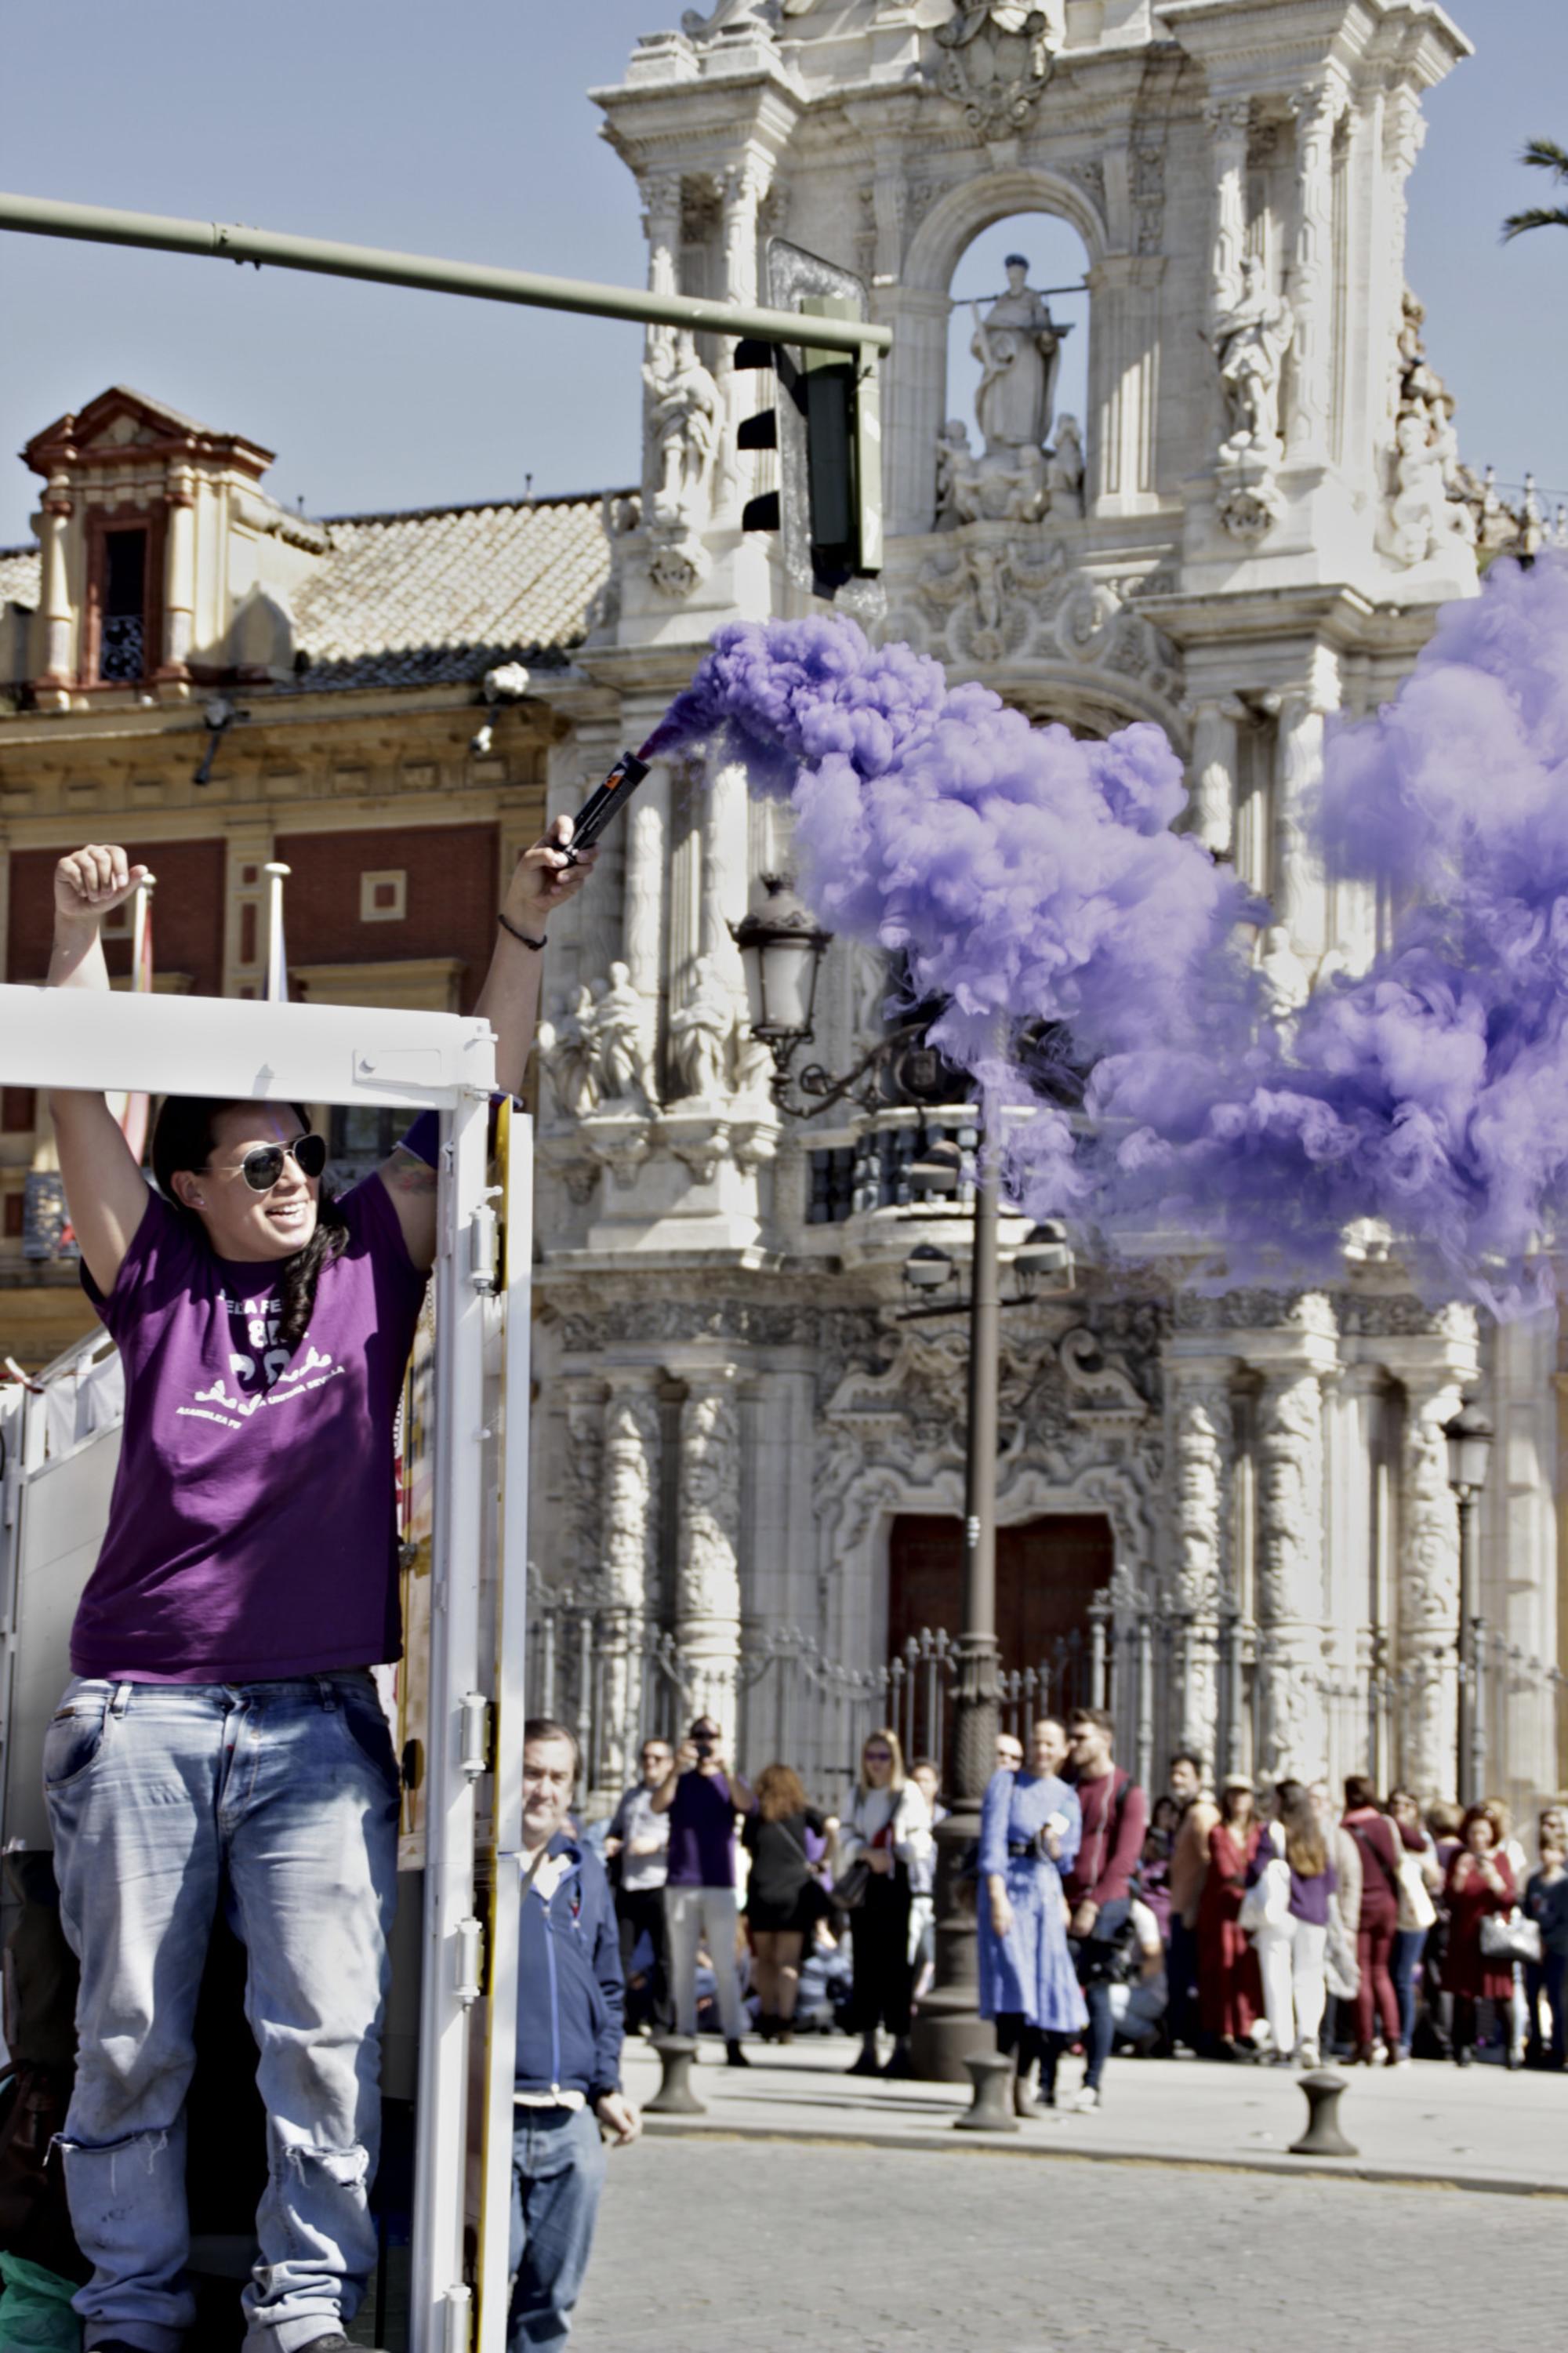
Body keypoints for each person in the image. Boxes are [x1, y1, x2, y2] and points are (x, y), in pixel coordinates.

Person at [39, 828, 592, 2353]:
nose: (299, 1178)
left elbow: (486, 1107)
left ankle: (301, 2309)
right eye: (264, 1161)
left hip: (314, 1719)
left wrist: (519, 933)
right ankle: (130, 2316)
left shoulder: (365, 1263)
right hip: (145, 1712)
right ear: (201, 1186)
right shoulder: (150, 1276)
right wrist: (77, 930)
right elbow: (74, 1096)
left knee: (324, 2037)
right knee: (133, 2041)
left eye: (308, 1153)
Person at [509, 1720, 639, 2353]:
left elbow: (609, 1986)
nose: (543, 1789)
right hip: (492, 2114)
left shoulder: (585, 1869)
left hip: (571, 2119)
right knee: (469, 2284)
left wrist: (607, 2081)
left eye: (557, 1776)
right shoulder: (481, 1864)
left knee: (551, 2303)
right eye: (532, 1771)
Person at [978, 1718, 1084, 2118]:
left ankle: (1026, 2082)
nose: (1042, 1751)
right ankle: (999, 2084)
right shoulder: (1006, 1784)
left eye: (1050, 1744)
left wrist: (1057, 1848)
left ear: (1062, 1751)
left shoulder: (1066, 1797)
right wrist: (996, 1894)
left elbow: (1067, 1854)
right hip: (1010, 1887)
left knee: (1042, 1988)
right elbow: (991, 1841)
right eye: (1037, 1742)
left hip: (1043, 1888)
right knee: (1013, 1985)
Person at [651, 1715, 755, 2066]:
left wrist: (726, 1767)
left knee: (725, 1964)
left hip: (720, 1882)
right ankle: (686, 2034)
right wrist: (676, 1769)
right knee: (682, 1964)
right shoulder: (680, 1780)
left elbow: (745, 1805)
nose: (704, 1742)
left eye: (710, 1736)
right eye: (698, 1736)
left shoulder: (728, 1780)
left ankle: (733, 2037)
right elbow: (657, 1805)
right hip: (683, 1881)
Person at [1061, 1707, 1149, 2111]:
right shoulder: (1066, 1787)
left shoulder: (1128, 1791)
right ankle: (1044, 2077)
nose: (1073, 1745)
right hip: (1062, 1902)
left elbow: (1124, 1859)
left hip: (1104, 1905)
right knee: (1055, 1990)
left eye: (1082, 1737)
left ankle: (1092, 2082)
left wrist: (1092, 1906)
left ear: (1106, 1740)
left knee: (1095, 1992)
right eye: (1072, 1737)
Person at [839, 1727, 933, 2079]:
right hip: (865, 1885)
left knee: (896, 1966)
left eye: (883, 1756)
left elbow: (921, 1840)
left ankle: (900, 2045)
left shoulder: (906, 1793)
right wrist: (864, 1852)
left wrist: (893, 1853)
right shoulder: (858, 1794)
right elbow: (845, 1833)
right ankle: (867, 2045)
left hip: (895, 1885)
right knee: (864, 1964)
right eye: (871, 1756)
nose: (876, 1764)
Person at [742, 1764, 830, 2043]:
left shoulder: (757, 1815)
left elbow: (747, 1846)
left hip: (762, 1890)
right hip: (794, 1892)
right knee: (789, 1962)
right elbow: (832, 1828)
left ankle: (767, 2016)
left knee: (765, 1960)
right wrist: (822, 1862)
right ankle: (785, 2021)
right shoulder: (802, 1813)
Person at [1249, 1779, 1334, 2068]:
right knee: (1310, 1977)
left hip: (1281, 1912)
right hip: (1315, 1915)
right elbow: (1330, 1880)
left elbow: (1256, 1871)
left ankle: (1283, 2042)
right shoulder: (1317, 1836)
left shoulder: (1274, 1831)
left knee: (1277, 1977)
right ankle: (1309, 2037)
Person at [604, 1738, 673, 2036]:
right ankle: (621, 2016)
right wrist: (612, 1841)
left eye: (658, 1758)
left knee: (664, 1958)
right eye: (646, 1757)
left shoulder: (674, 1797)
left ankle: (661, 2021)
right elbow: (617, 1828)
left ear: (669, 1763)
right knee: (621, 1955)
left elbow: (687, 1838)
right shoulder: (631, 1796)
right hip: (630, 1883)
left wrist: (657, 1844)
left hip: (661, 1882)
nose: (650, 1763)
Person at [1443, 1803, 1517, 2066]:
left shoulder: (1500, 1860)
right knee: (1463, 1995)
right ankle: (1462, 2047)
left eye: (1483, 1833)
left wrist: (1494, 1878)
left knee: (1500, 1994)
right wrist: (1460, 1876)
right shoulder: (1457, 1858)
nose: (1478, 1839)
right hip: (1464, 1935)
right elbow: (1449, 1899)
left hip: (1493, 1937)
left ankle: (1511, 2049)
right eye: (1474, 1833)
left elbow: (1510, 1897)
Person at [1341, 1774, 1407, 2063]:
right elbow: (1409, 1848)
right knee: (1382, 1973)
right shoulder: (1385, 1824)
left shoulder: (1347, 1827)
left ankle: (1365, 2041)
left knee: (1363, 1973)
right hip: (1387, 1904)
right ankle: (1394, 2041)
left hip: (1361, 1905)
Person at [1198, 1776, 1264, 2058]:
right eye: (1233, 1795)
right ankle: (1224, 2030)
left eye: (1244, 1795)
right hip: (1224, 1910)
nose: (1239, 1800)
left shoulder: (1259, 1832)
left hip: (1251, 1911)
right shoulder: (1218, 1833)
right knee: (1224, 1967)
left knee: (1248, 1968)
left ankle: (1246, 2028)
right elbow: (1226, 1870)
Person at [1167, 1753, 1218, 2054]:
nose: (1177, 1780)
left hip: (1189, 1908)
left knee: (1188, 1976)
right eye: (1174, 1774)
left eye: (1183, 1775)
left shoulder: (1202, 1815)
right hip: (1180, 1903)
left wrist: (1194, 1907)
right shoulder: (1187, 1813)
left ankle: (1195, 2034)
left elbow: (1210, 1863)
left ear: (1198, 1779)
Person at [1388, 1785, 1441, 2058]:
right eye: (1396, 1804)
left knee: (1403, 1977)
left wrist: (1413, 1859)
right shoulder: (1384, 1832)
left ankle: (1404, 2040)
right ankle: (1386, 2035)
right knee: (1384, 1976)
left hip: (1412, 1916)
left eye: (1407, 1805)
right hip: (1387, 1912)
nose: (1400, 1810)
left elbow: (1434, 1876)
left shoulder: (1422, 1840)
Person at [1524, 1818, 1568, 2070]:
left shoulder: (1564, 1883)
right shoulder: (1534, 1881)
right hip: (1533, 1948)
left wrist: (1548, 1943)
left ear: (1562, 1854)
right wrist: (1534, 1941)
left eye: (1552, 1849)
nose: (1546, 1854)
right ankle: (1535, 2044)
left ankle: (1558, 2048)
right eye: (1543, 1848)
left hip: (1559, 1950)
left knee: (1557, 1999)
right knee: (1532, 1997)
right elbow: (1529, 1913)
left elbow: (1565, 1922)